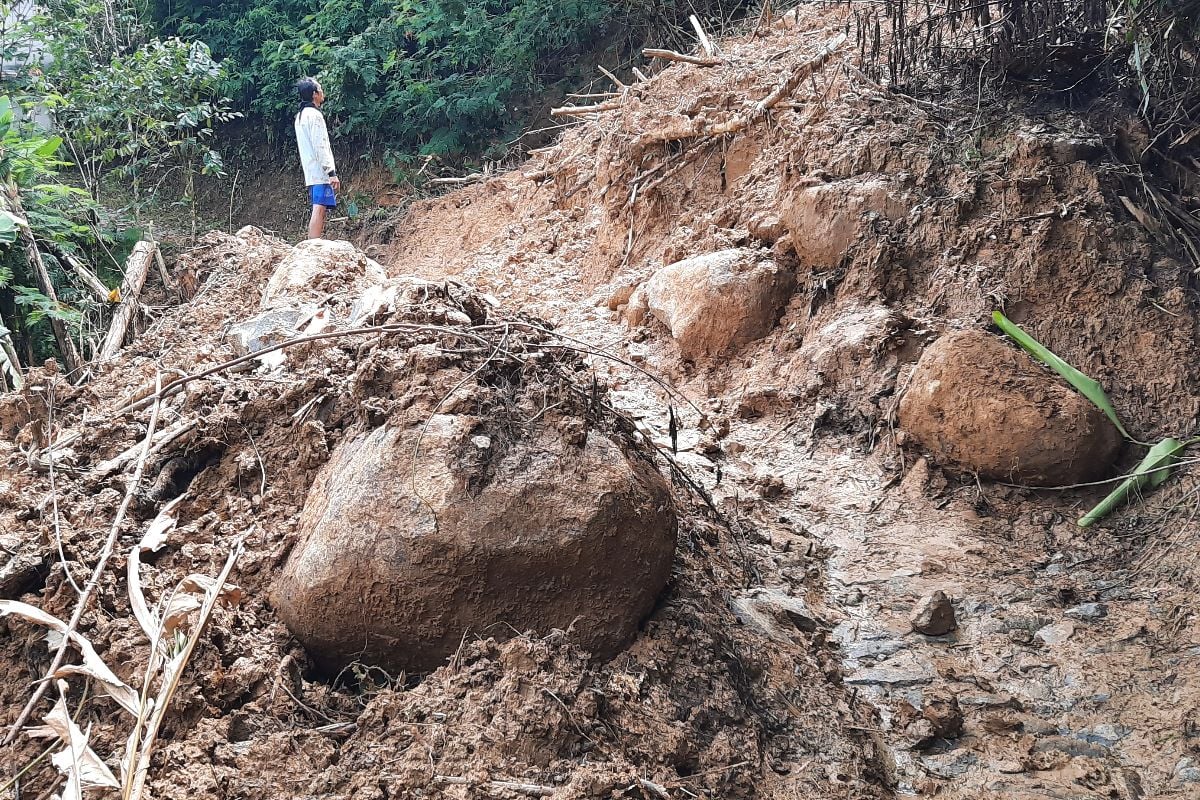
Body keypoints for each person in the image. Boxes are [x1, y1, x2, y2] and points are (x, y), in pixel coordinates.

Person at [294, 77, 341, 239]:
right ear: (314, 94)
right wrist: (331, 172)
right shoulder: (314, 115)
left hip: (311, 169)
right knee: (319, 207)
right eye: (320, 89)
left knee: (319, 207)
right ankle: (313, 244)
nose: (322, 92)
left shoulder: (300, 117)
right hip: (320, 170)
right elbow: (320, 145)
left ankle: (314, 242)